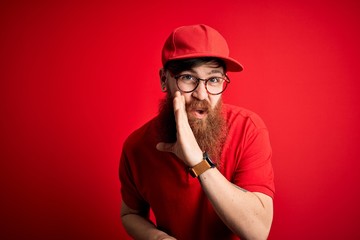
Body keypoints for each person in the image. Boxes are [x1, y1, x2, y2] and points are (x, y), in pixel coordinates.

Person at [119, 24, 275, 240]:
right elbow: (130, 214)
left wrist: (199, 164)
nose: (202, 94)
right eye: (188, 78)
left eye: (213, 79)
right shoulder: (137, 146)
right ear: (165, 79)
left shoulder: (248, 129)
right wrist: (157, 238)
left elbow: (257, 232)